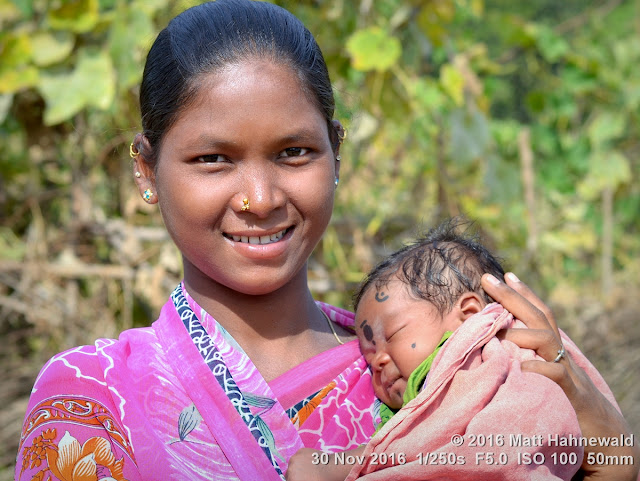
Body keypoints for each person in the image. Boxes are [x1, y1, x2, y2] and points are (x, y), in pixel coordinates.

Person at [15, 2, 637, 481]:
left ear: (335, 152)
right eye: (213, 159)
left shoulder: (429, 367)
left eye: (294, 153)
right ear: (148, 172)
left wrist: (600, 428)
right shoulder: (93, 398)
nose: (259, 198)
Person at [285, 219, 613, 480]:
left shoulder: (485, 358)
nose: (380, 363)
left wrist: (338, 465)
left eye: (394, 334)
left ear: (469, 315)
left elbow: (429, 438)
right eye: (370, 362)